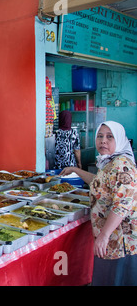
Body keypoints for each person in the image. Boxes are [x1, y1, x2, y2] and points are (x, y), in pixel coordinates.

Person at [61, 121, 136, 286]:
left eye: (110, 137)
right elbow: (99, 183)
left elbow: (122, 204)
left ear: (120, 140)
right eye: (100, 136)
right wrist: (76, 170)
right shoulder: (110, 162)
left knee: (115, 279)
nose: (103, 141)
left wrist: (104, 235)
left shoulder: (122, 166)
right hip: (110, 237)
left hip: (120, 239)